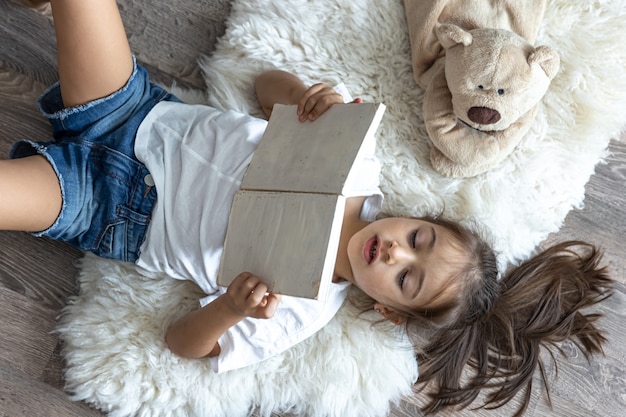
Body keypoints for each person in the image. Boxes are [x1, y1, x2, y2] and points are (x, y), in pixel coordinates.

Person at [2, 1, 614, 415]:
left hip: (107, 204)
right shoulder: (358, 160)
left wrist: (229, 309)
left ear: (388, 310)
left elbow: (182, 345)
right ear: (419, 217)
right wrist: (301, 96)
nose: (396, 250)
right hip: (135, 113)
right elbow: (262, 85)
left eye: (405, 276)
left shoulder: (303, 310)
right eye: (419, 238)